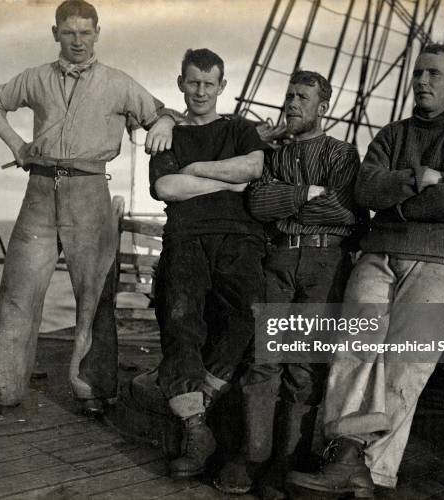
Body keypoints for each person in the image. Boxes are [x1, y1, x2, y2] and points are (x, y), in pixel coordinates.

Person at [285, 45, 444, 498]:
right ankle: (341, 459)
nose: (422, 81)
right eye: (417, 72)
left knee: (404, 367)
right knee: (352, 350)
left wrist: (396, 195)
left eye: (434, 74)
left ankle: (371, 474)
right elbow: (365, 189)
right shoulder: (391, 133)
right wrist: (420, 179)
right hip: (379, 253)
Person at [0, 0, 179, 417]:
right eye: (70, 33)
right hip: (39, 192)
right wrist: (17, 145)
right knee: (18, 292)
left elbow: (162, 112)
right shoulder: (34, 79)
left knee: (95, 296)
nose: (78, 41)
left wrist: (165, 123)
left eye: (86, 33)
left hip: (90, 194)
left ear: (97, 34)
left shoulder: (119, 83)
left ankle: (95, 391)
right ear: (56, 35)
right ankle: (3, 389)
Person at [215, 70, 363, 498]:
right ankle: (254, 456)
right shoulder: (272, 154)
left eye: (303, 97)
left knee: (303, 366)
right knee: (265, 360)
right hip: (278, 258)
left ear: (323, 106)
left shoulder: (341, 153)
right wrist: (306, 195)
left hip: (324, 263)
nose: (292, 103)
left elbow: (345, 210)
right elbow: (259, 203)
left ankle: (288, 463)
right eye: (290, 96)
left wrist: (291, 200)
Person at [149, 48, 268, 479]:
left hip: (239, 239)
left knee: (252, 313)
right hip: (185, 239)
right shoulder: (168, 135)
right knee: (180, 323)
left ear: (221, 86)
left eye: (208, 83)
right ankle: (196, 432)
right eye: (193, 82)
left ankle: (206, 395)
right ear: (180, 83)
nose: (200, 91)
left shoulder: (240, 128)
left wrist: (196, 168)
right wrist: (225, 181)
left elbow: (252, 168)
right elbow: (166, 187)